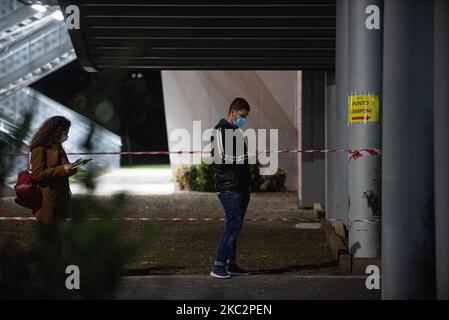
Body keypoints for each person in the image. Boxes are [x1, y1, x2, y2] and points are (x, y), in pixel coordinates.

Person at [210, 97, 252, 279]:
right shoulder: (221, 130)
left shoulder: (235, 132)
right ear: (233, 112)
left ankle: (230, 263)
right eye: (242, 115)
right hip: (229, 187)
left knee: (235, 226)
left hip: (239, 186)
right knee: (231, 227)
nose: (244, 119)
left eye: (246, 117)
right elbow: (220, 158)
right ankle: (218, 266)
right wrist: (242, 158)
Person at [29, 116, 78, 265]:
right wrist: (62, 169)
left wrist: (72, 169)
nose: (66, 135)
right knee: (42, 242)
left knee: (56, 244)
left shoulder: (56, 146)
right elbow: (37, 174)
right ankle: (34, 277)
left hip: (60, 203)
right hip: (48, 204)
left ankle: (52, 276)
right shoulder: (40, 148)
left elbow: (62, 169)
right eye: (65, 131)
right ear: (56, 130)